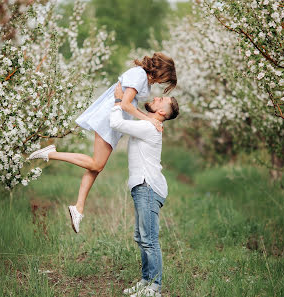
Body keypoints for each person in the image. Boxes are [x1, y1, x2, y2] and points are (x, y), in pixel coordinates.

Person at [26, 53, 177, 233]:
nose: (162, 83)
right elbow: (125, 104)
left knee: (97, 166)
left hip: (114, 116)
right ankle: (51, 153)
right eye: (164, 79)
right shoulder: (139, 75)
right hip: (110, 116)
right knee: (97, 164)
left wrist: (145, 118)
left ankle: (79, 207)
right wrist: (149, 119)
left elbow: (129, 104)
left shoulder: (142, 78)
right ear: (161, 71)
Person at [110, 82, 179, 297]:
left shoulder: (149, 127)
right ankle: (146, 281)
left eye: (161, 100)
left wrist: (118, 101)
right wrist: (127, 103)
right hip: (142, 186)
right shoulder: (150, 123)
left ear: (160, 112)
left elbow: (115, 122)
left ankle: (155, 288)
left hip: (147, 186)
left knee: (149, 239)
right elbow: (137, 113)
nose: (156, 97)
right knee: (142, 238)